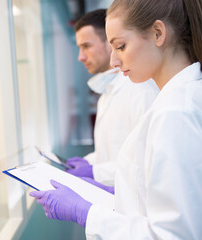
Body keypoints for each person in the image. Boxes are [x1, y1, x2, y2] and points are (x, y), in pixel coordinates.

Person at [30, 0, 202, 239]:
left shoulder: (176, 113)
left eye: (121, 46)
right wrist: (111, 194)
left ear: (158, 33)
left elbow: (173, 235)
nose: (113, 61)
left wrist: (86, 213)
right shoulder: (187, 96)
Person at [66, 9, 159, 187]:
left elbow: (147, 163)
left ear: (110, 42)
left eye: (86, 46)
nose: (81, 57)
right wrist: (87, 162)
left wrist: (94, 172)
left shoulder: (141, 90)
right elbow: (113, 153)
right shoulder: (107, 94)